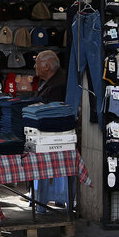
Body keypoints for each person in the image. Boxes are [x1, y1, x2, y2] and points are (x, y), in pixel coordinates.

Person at [33, 50, 70, 212]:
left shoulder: (58, 84)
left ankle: (51, 199)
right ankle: (46, 199)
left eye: (37, 63)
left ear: (47, 66)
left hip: (54, 137)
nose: (34, 66)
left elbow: (52, 112)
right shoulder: (50, 81)